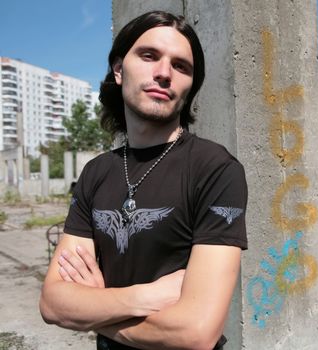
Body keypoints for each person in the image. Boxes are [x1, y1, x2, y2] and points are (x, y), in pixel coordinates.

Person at [39, 11, 247, 350]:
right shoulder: (96, 172)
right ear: (119, 70)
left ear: (190, 85)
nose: (164, 73)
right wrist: (145, 297)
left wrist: (95, 307)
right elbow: (52, 302)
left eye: (181, 66)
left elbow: (196, 333)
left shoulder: (215, 169)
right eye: (149, 56)